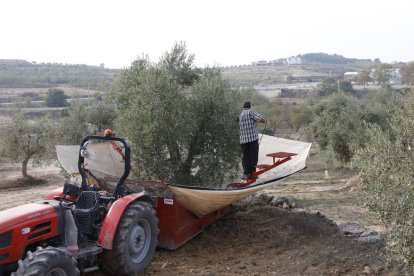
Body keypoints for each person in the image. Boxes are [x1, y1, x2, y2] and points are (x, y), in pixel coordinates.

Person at [239, 101, 266, 179]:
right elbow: (262, 118)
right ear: (250, 106)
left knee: (246, 157)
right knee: (253, 156)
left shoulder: (241, 114)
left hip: (243, 140)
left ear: (243, 107)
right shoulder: (251, 112)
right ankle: (253, 173)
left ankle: (246, 173)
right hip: (252, 139)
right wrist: (261, 121)